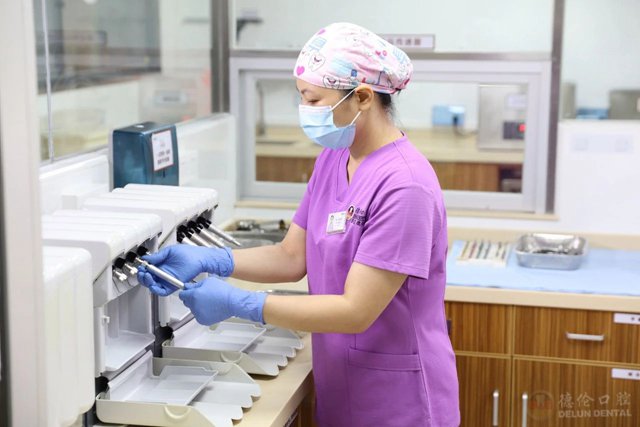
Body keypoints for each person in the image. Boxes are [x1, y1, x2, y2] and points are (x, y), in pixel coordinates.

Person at [138, 22, 460, 427]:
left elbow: (356, 310)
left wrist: (242, 304)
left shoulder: (405, 185)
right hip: (343, 385)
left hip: (400, 399)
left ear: (362, 97)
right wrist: (212, 260)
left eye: (314, 99)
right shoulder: (335, 157)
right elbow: (291, 257)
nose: (305, 110)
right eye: (302, 97)